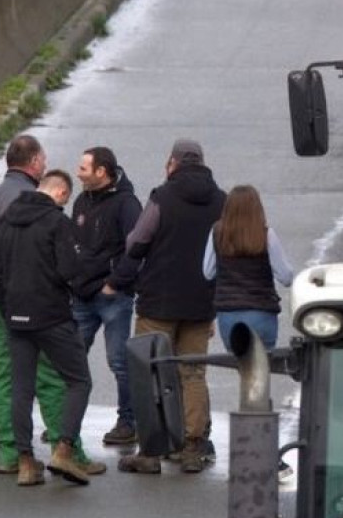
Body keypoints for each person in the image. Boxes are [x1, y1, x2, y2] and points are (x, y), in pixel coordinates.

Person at [0, 136, 104, 477]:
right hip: (47, 311)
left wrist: (6, 304)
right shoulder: (51, 218)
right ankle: (66, 449)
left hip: (6, 309)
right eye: (43, 159)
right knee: (66, 380)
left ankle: (18, 459)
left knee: (14, 384)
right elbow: (68, 271)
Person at [117, 139, 227, 475]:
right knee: (192, 373)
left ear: (172, 163)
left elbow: (137, 241)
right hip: (200, 302)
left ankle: (151, 451)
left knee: (148, 370)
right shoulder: (221, 200)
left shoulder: (162, 196)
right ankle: (193, 448)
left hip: (158, 301)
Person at [0, 170, 93, 486]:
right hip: (51, 316)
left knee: (21, 387)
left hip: (15, 316)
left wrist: (9, 310)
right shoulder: (56, 222)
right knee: (78, 381)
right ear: (61, 193)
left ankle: (24, 461)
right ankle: (64, 450)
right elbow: (68, 270)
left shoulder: (4, 222)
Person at [72, 147, 143, 447]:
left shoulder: (127, 204)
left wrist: (115, 283)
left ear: (102, 171)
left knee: (119, 362)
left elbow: (137, 248)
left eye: (84, 168)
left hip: (112, 296)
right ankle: (66, 423)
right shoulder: (81, 201)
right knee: (71, 359)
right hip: (81, 295)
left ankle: (128, 422)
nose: (78, 172)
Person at [210, 186, 295, 357]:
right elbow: (286, 277)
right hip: (261, 312)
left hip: (228, 314)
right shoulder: (266, 234)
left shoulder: (217, 233)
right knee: (262, 368)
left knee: (242, 366)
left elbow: (207, 272)